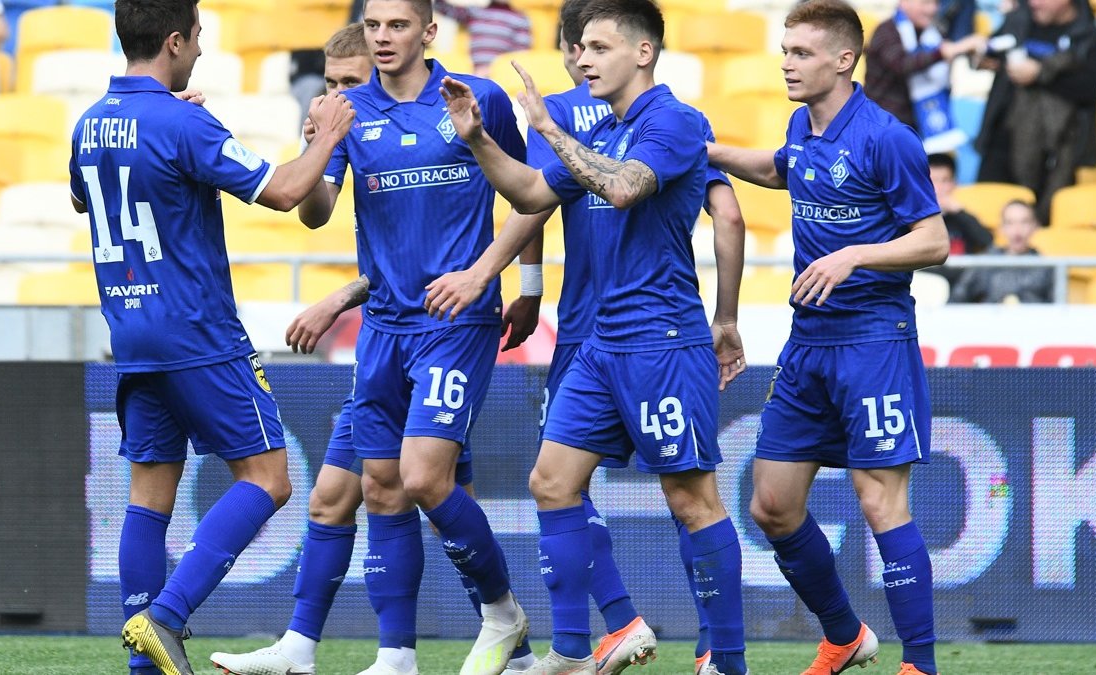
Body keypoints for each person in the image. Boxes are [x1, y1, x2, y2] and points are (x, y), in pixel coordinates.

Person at [207, 21, 541, 675]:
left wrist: (525, 285)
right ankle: (379, 653)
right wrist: (317, 141)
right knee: (357, 493)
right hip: (385, 335)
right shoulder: (353, 119)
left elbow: (529, 192)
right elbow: (316, 212)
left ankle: (498, 623)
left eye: (349, 80)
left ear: (422, 35)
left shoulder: (471, 101)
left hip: (452, 326)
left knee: (417, 484)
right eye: (331, 82)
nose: (339, 93)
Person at [426, 0, 747, 672]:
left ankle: (726, 658)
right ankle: (577, 647)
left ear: (643, 52)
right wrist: (478, 138)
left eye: (599, 48)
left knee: (691, 499)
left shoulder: (674, 122)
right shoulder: (606, 128)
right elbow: (531, 194)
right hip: (598, 343)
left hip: (661, 340)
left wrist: (549, 127)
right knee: (551, 481)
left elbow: (625, 188)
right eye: (581, 48)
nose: (583, 59)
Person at [68, 2, 355, 674]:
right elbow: (284, 192)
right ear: (174, 40)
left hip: (132, 336)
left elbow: (83, 199)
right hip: (198, 332)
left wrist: (164, 141)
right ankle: (166, 618)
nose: (200, 49)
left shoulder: (89, 124)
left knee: (148, 497)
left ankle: (145, 666)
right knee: (270, 479)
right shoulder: (183, 122)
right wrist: (328, 135)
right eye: (196, 37)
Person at [708, 0, 950, 673]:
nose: (787, 64)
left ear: (844, 60)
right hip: (807, 342)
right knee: (771, 505)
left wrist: (854, 255)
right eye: (785, 52)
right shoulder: (801, 124)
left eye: (802, 53)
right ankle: (844, 635)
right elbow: (779, 168)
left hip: (873, 340)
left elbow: (934, 240)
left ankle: (920, 663)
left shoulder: (887, 138)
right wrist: (706, 152)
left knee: (879, 499)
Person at [974, 0, 1096, 224]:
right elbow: (990, 51)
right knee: (986, 215)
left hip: (1055, 149)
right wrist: (981, 57)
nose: (1034, 3)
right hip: (1002, 140)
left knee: (1037, 224)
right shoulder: (1018, 21)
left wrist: (1039, 75)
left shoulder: (1090, 38)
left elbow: (1089, 89)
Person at [864, 0, 984, 153]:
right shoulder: (886, 31)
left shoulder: (934, 33)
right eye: (926, 3)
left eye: (936, 3)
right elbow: (902, 64)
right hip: (882, 126)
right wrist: (942, 53)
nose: (932, 9)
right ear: (905, 3)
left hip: (919, 126)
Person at [950, 199, 1054, 302]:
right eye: (1010, 223)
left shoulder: (1045, 267)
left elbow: (1057, 305)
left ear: (1035, 226)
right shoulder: (986, 263)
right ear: (1001, 228)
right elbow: (957, 299)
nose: (1017, 230)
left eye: (1024, 222)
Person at [927, 153, 993, 284]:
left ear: (954, 184)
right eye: (933, 181)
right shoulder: (913, 218)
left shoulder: (962, 218)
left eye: (945, 181)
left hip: (961, 285)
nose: (939, 188)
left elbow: (987, 241)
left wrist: (959, 212)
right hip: (926, 283)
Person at [433, 0, 532, 78]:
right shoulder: (476, 12)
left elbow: (520, 55)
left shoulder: (520, 18)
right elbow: (443, 8)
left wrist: (493, 70)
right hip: (472, 73)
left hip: (501, 76)